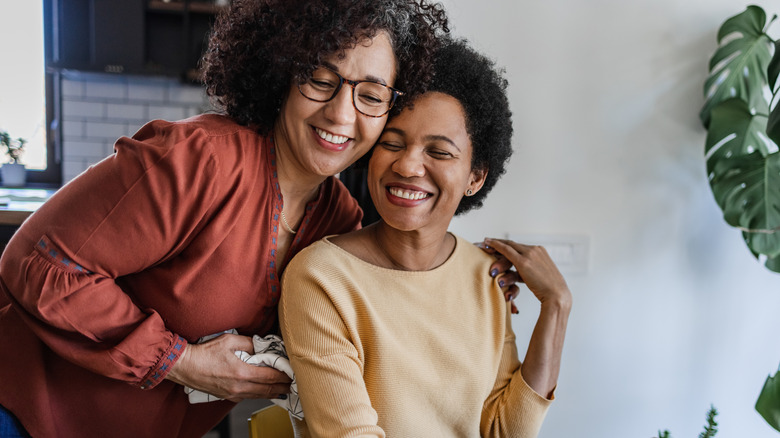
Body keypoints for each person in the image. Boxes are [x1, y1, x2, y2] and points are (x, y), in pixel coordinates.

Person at [0, 1, 451, 436]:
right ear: (283, 73)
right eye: (319, 78)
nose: (340, 113)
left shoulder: (338, 222)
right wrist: (181, 361)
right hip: (22, 411)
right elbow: (38, 263)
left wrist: (471, 277)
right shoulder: (200, 161)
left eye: (370, 95)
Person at [279, 38, 572, 437]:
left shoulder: (486, 277)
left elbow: (504, 431)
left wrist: (556, 307)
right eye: (392, 143)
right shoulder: (322, 279)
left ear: (476, 176)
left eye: (439, 152)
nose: (408, 165)